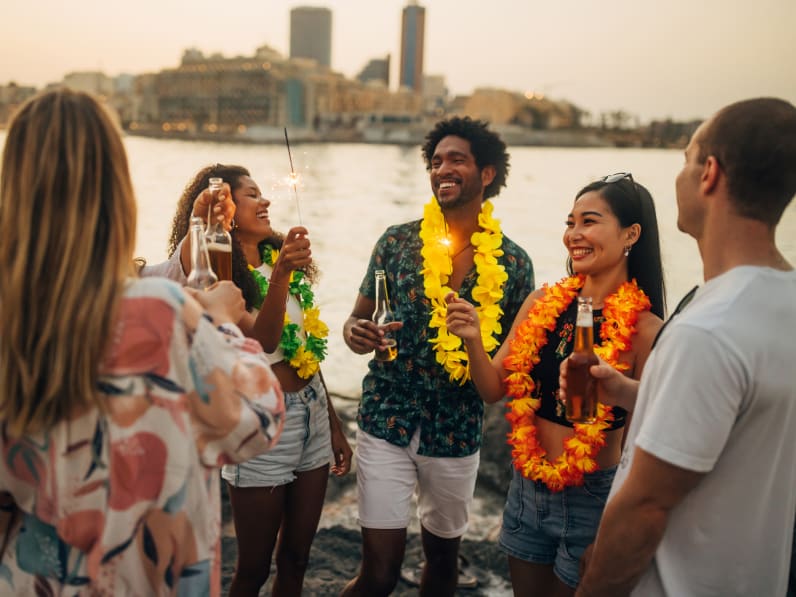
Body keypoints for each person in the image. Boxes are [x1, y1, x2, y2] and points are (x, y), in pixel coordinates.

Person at [0, 89, 286, 596]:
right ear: (116, 193)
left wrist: (199, 240)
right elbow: (256, 424)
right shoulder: (160, 314)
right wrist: (219, 324)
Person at [567, 98, 796, 596]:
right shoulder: (783, 301)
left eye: (686, 159)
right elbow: (742, 422)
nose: (680, 176)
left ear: (709, 174)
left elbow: (646, 506)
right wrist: (631, 393)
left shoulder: (707, 330)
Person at [340, 116, 535, 596]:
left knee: (443, 564)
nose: (441, 169)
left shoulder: (513, 264)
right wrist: (355, 333)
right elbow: (354, 320)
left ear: (486, 174)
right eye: (435, 161)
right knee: (379, 574)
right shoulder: (396, 242)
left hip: (456, 427)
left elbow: (508, 368)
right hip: (386, 417)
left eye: (456, 160)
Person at [445, 172, 665, 594]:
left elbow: (649, 440)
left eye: (589, 221)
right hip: (527, 490)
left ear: (630, 234)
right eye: (570, 222)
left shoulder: (646, 330)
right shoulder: (540, 304)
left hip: (595, 500)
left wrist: (612, 530)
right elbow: (492, 389)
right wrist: (472, 338)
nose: (574, 234)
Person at [153, 164, 352, 596]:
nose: (264, 202)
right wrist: (208, 223)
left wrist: (334, 425)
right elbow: (263, 340)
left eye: (263, 193)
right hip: (263, 419)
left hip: (313, 416)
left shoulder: (280, 261)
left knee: (297, 559)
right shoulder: (217, 270)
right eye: (252, 195)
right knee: (254, 569)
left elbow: (305, 349)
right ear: (225, 210)